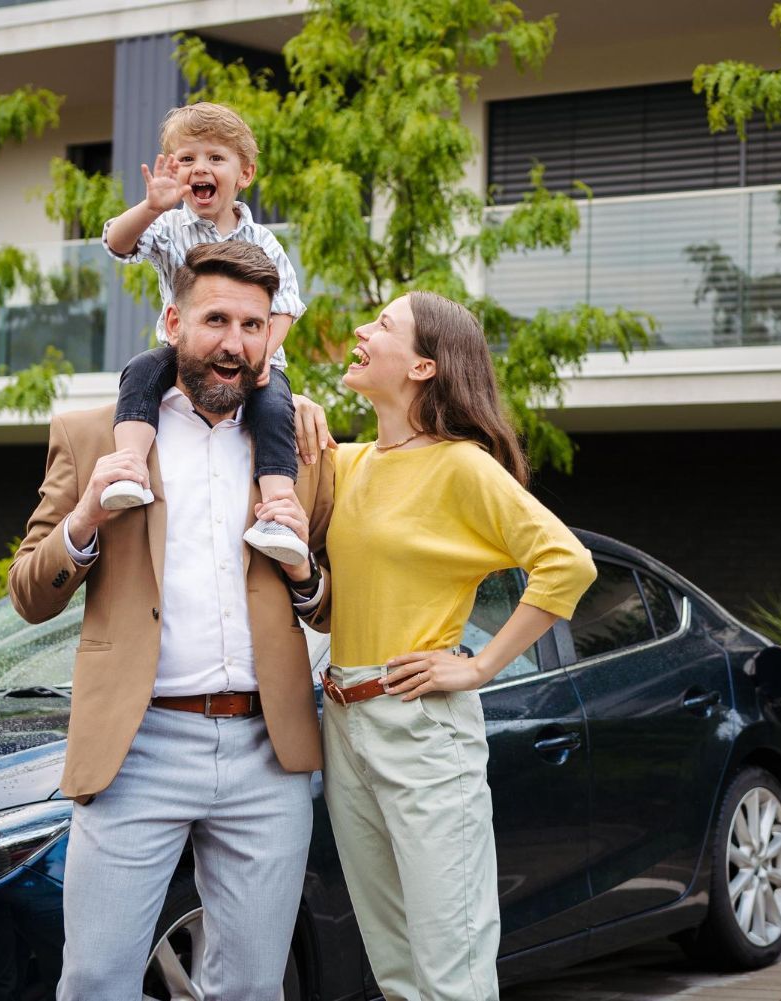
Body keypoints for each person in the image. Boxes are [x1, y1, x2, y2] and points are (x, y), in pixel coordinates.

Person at [8, 241, 333, 1001]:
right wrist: (87, 514)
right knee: (95, 981)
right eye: (216, 319)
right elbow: (30, 592)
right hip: (138, 748)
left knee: (253, 987)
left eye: (253, 325)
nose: (235, 343)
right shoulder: (94, 435)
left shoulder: (306, 449)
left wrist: (303, 572)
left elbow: (332, 605)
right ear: (172, 320)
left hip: (267, 752)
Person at [305, 291, 596, 1001]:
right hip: (342, 719)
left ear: (426, 364)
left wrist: (480, 664)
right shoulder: (351, 464)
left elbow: (568, 562)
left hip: (422, 728)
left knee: (452, 967)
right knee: (397, 967)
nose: (360, 332)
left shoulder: (462, 467)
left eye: (382, 325)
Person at [100, 101, 312, 565]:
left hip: (255, 359)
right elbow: (117, 242)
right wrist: (151, 206)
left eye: (216, 158)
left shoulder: (263, 241)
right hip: (183, 354)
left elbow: (287, 308)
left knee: (275, 407)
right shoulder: (169, 224)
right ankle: (130, 465)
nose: (201, 168)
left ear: (245, 174)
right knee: (139, 371)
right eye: (187, 158)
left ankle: (278, 506)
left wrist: (261, 360)